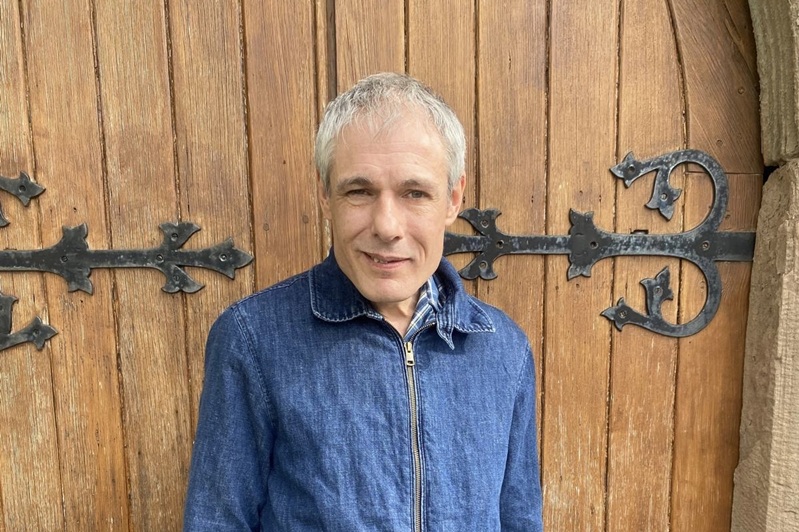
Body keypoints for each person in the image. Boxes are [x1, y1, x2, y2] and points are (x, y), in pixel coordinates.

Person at [184, 72, 544, 531]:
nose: (387, 225)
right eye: (360, 191)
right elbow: (217, 521)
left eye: (415, 193)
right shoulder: (253, 340)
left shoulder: (502, 349)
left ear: (453, 198)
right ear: (324, 194)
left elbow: (519, 520)